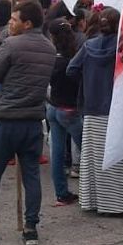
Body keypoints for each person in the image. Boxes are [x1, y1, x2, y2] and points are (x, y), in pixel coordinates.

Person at [0, 0, 56, 245]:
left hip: (8, 120)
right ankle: (31, 227)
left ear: (27, 23)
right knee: (31, 175)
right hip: (33, 121)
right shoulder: (49, 48)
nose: (10, 23)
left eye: (15, 20)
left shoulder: (12, 44)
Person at [67, 7, 123, 219]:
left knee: (97, 159)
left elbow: (71, 70)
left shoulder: (88, 46)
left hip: (93, 110)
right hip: (120, 110)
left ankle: (100, 202)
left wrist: (89, 81)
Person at [45, 18, 82, 205]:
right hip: (71, 109)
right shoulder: (73, 60)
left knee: (57, 154)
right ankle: (94, 190)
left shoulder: (52, 59)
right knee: (88, 150)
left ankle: (61, 193)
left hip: (53, 107)